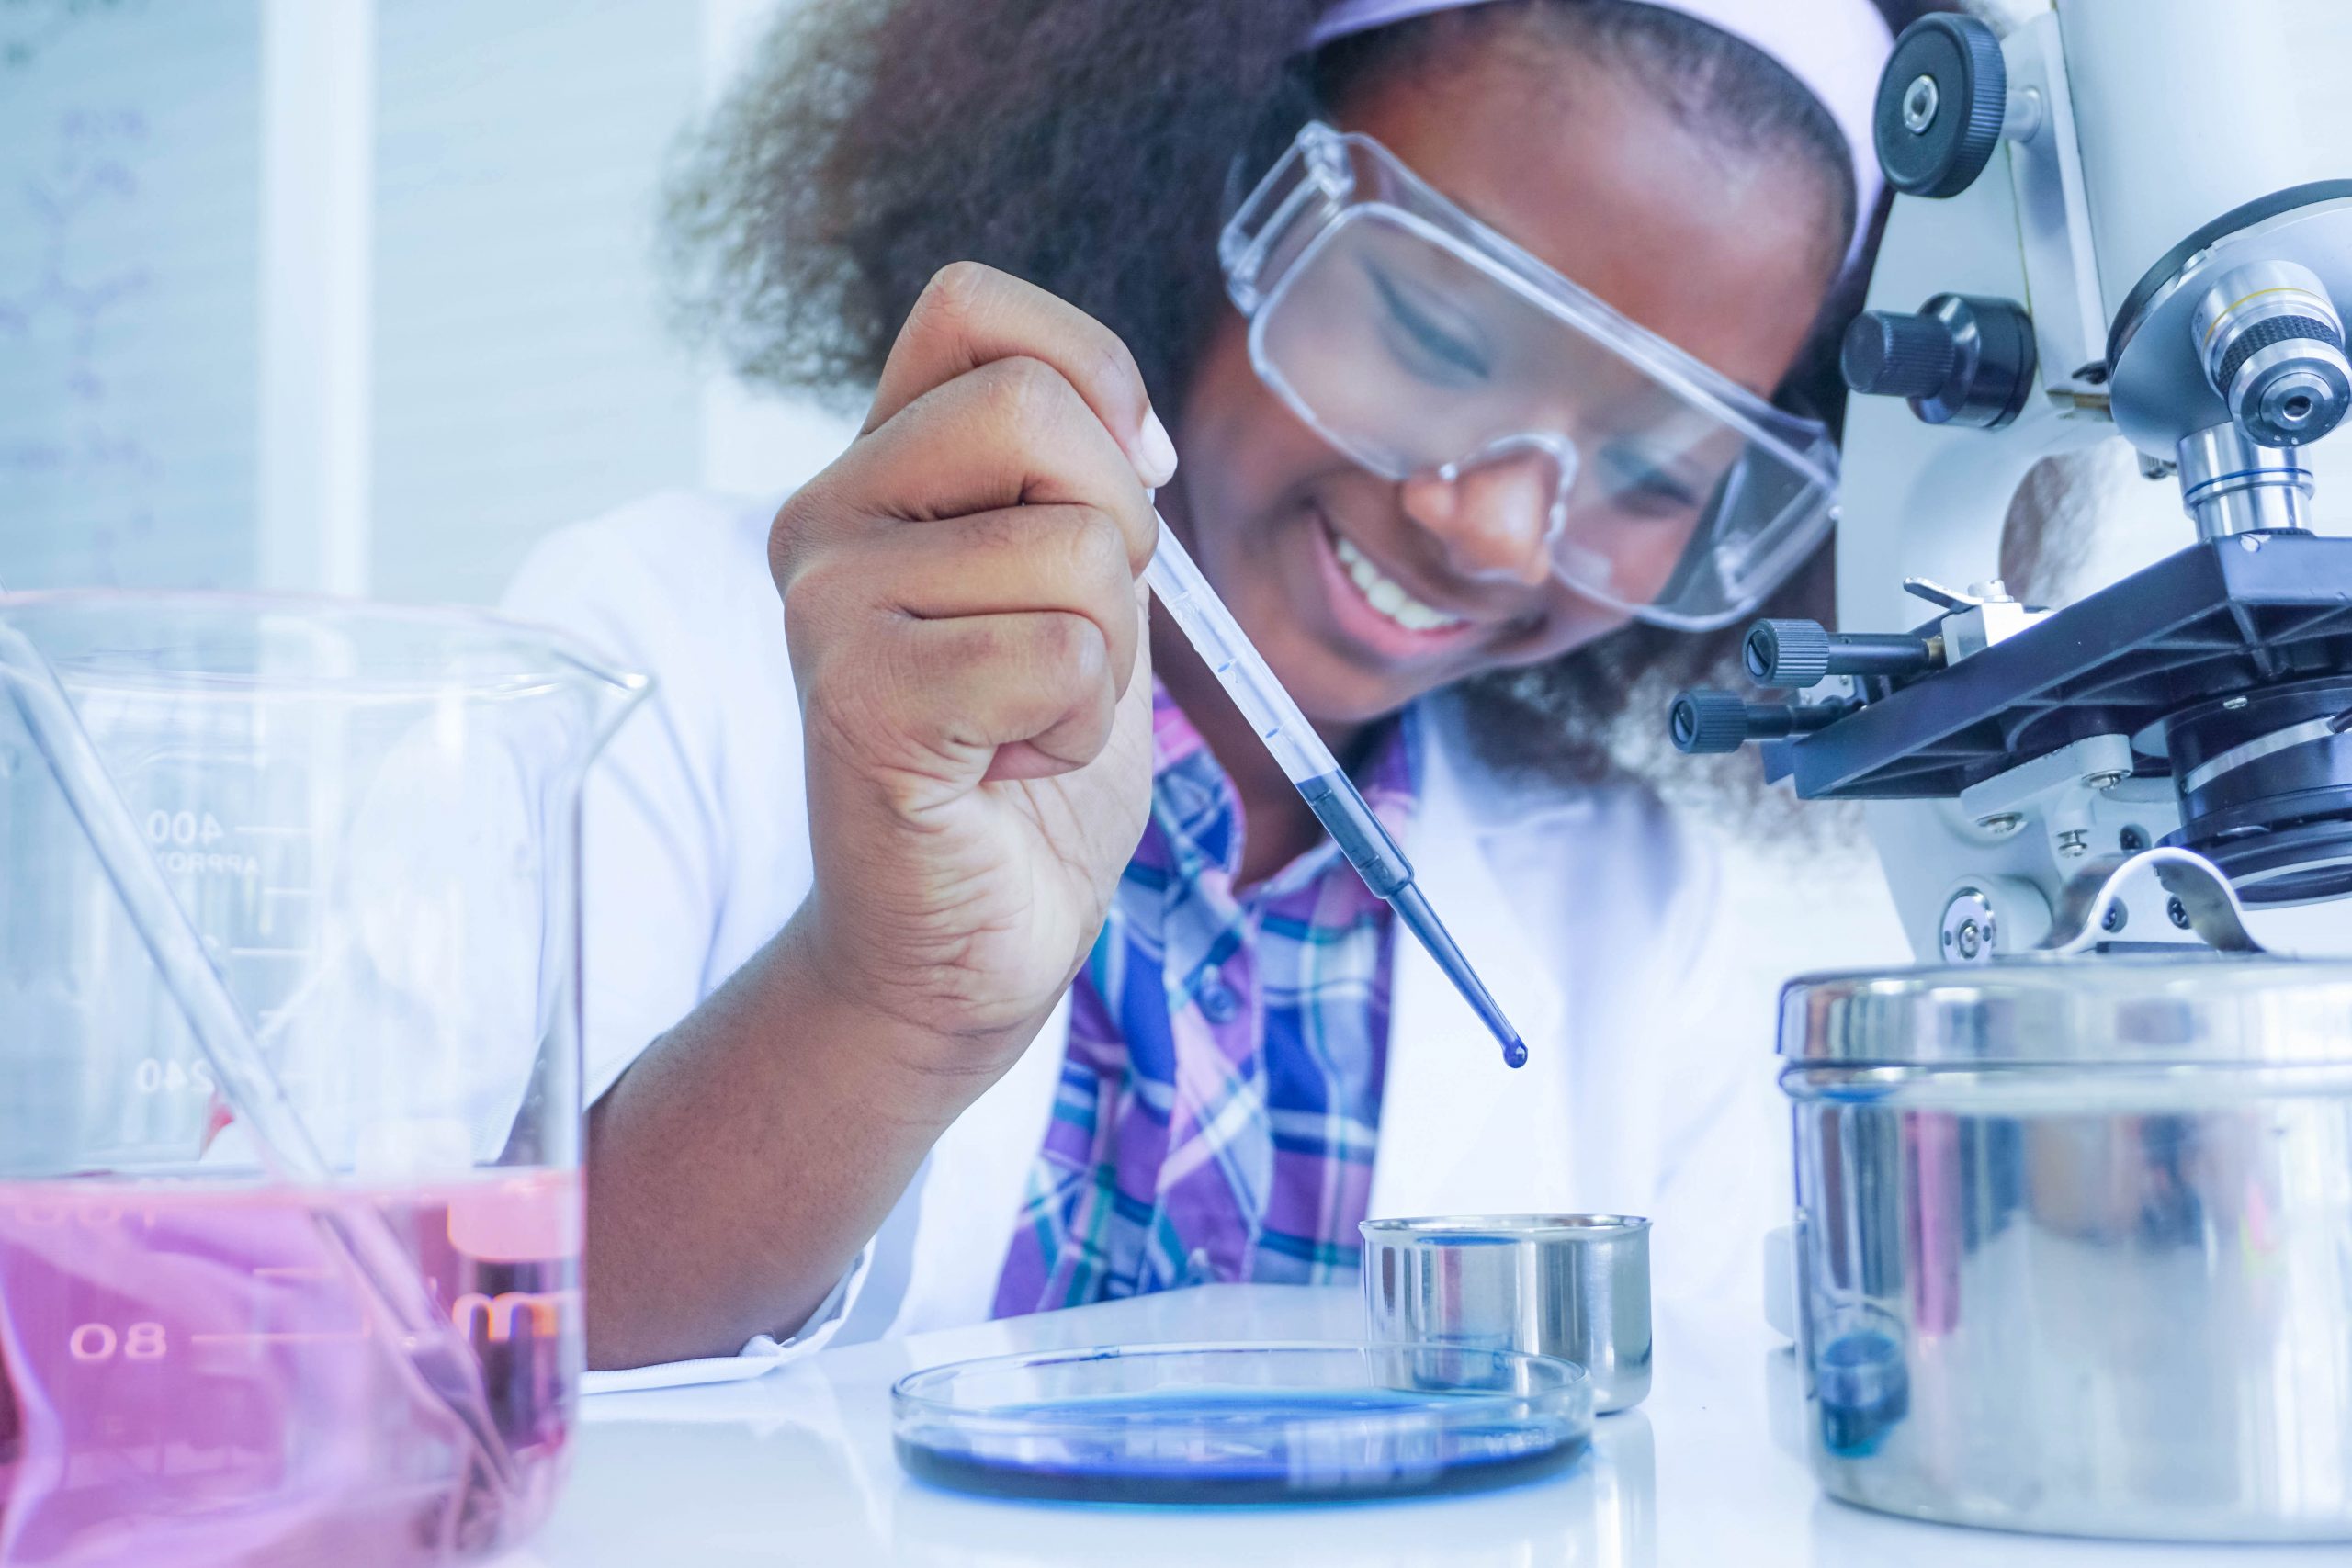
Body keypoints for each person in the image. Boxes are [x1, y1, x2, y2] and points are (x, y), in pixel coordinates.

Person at [506, 0, 1926, 1371]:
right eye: (1435, 341)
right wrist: (890, 1000)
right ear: (1211, 185)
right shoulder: (648, 657)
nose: (1491, 528)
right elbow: (450, 1361)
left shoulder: (1635, 909)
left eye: (1652, 473)